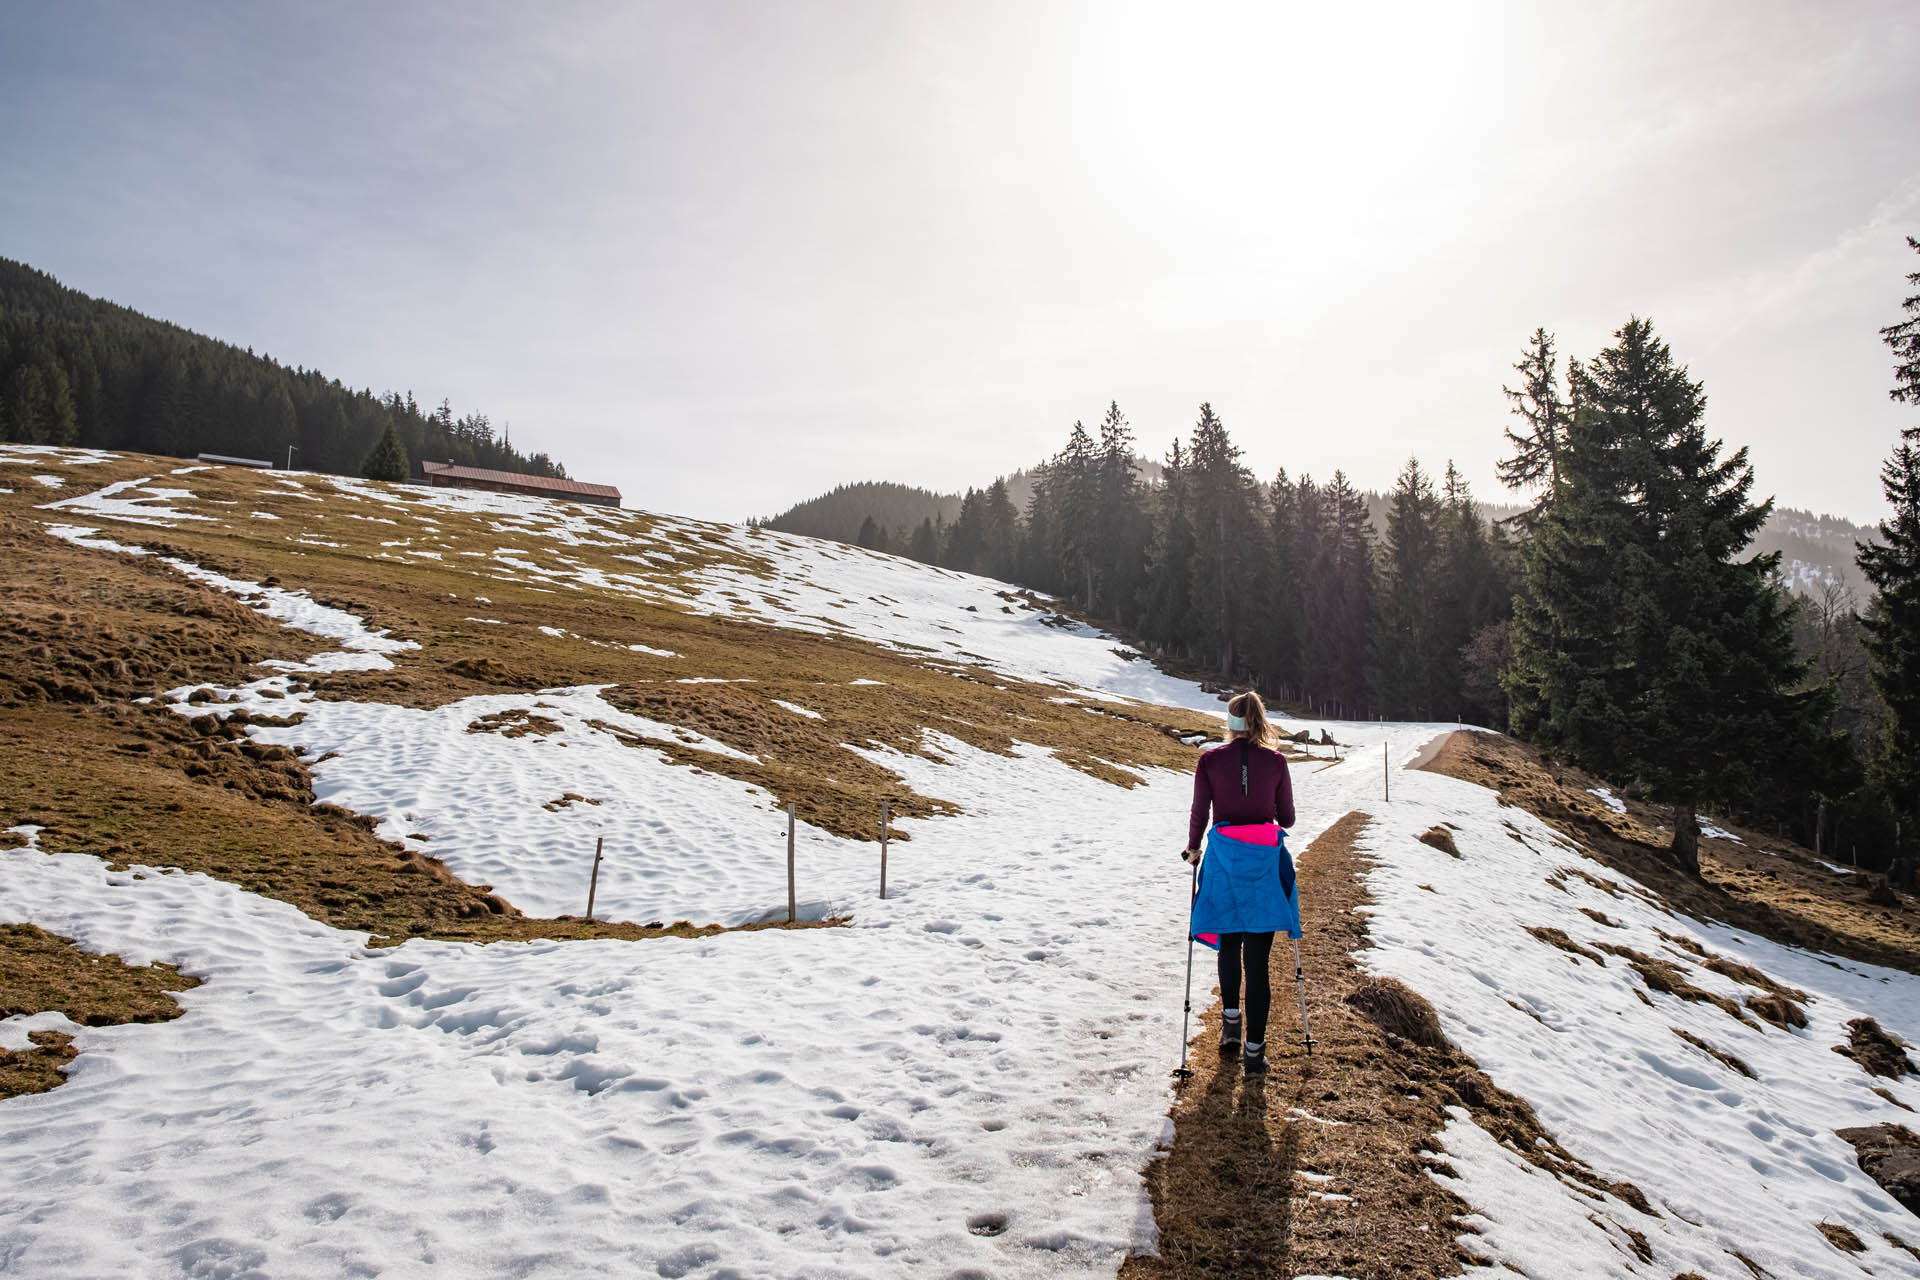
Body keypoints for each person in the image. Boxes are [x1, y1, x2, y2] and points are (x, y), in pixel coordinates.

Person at [1182, 689, 1296, 1075]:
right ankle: (1254, 1052)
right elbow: (1289, 818)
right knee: (1258, 962)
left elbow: (1200, 810)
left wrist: (1193, 847)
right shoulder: (1276, 761)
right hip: (1262, 859)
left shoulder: (1210, 760)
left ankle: (1230, 1025)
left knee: (1229, 942)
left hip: (1224, 858)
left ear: (1230, 722)